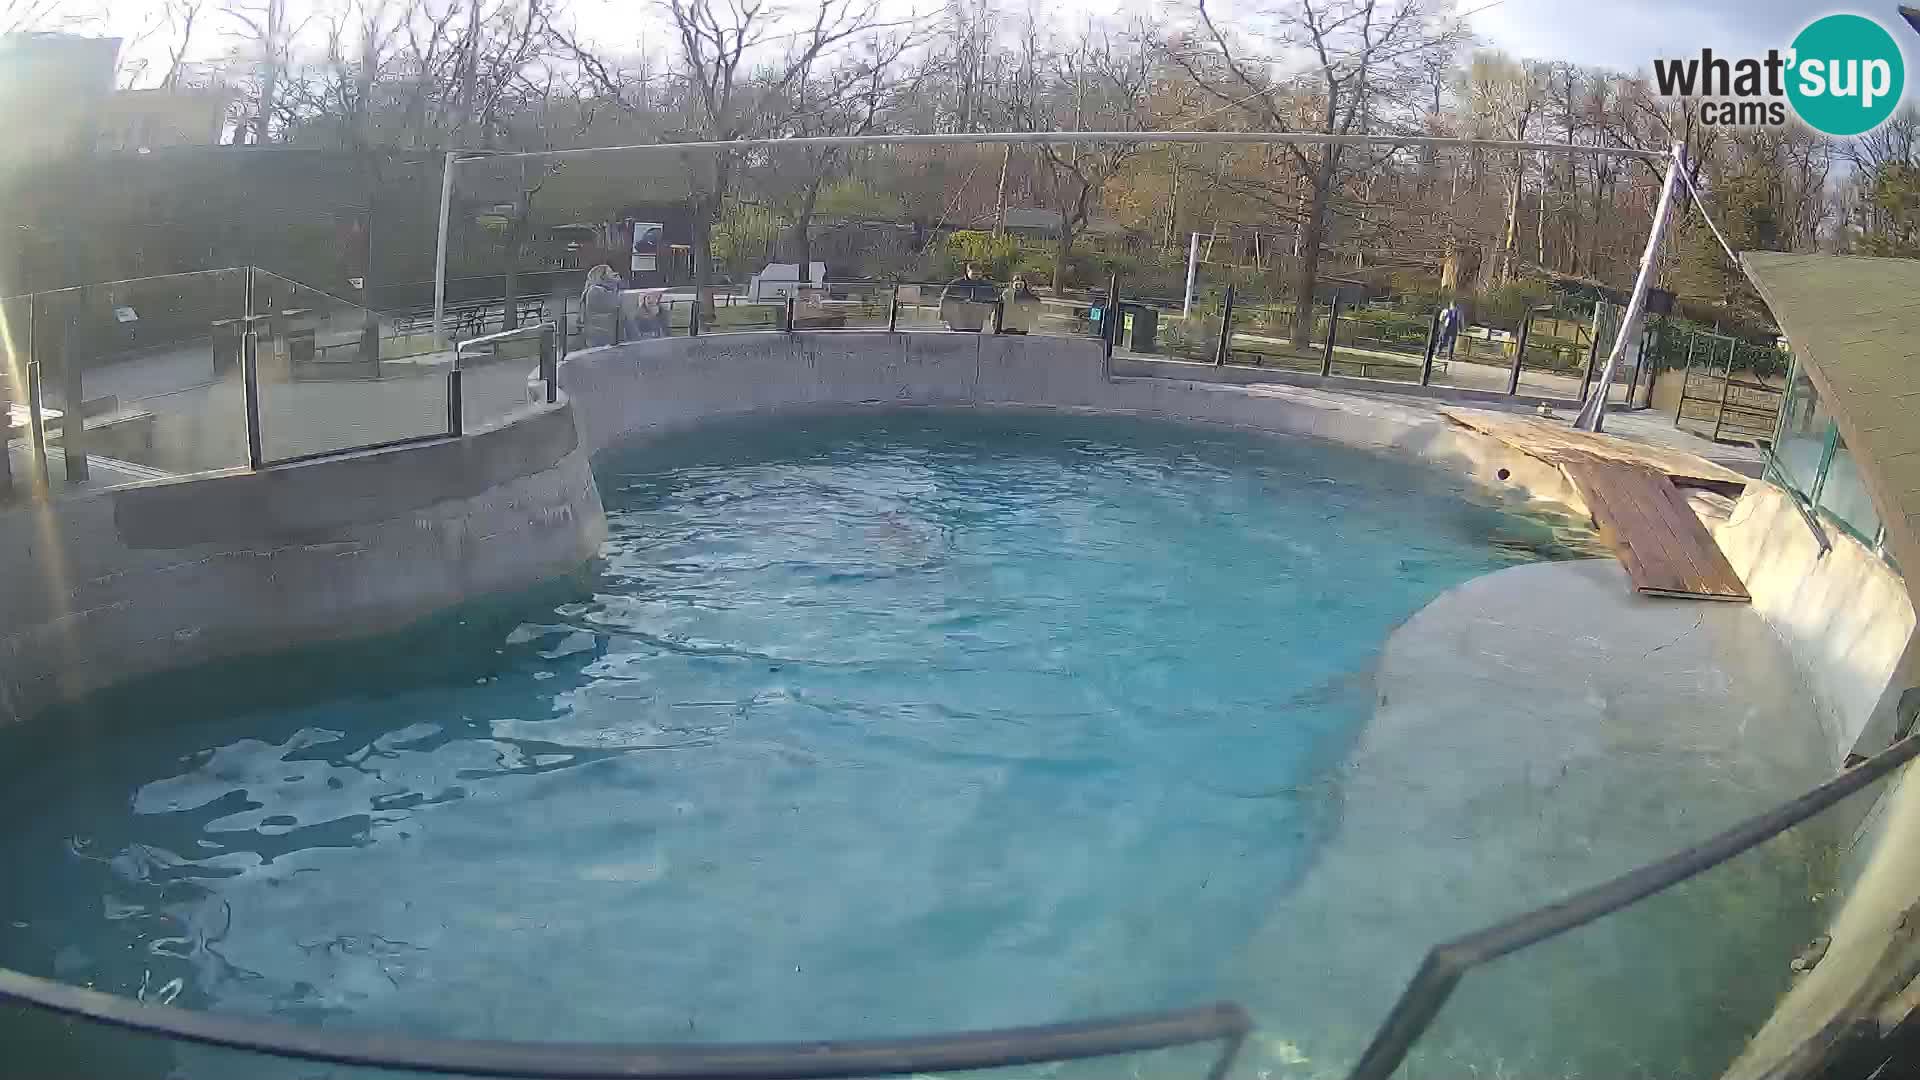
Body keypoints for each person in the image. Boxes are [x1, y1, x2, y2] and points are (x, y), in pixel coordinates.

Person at [581, 264, 624, 348]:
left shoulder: (602, 289)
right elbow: (615, 304)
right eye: (610, 272)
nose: (614, 274)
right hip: (600, 336)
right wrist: (616, 283)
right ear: (602, 276)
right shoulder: (595, 290)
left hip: (606, 334)